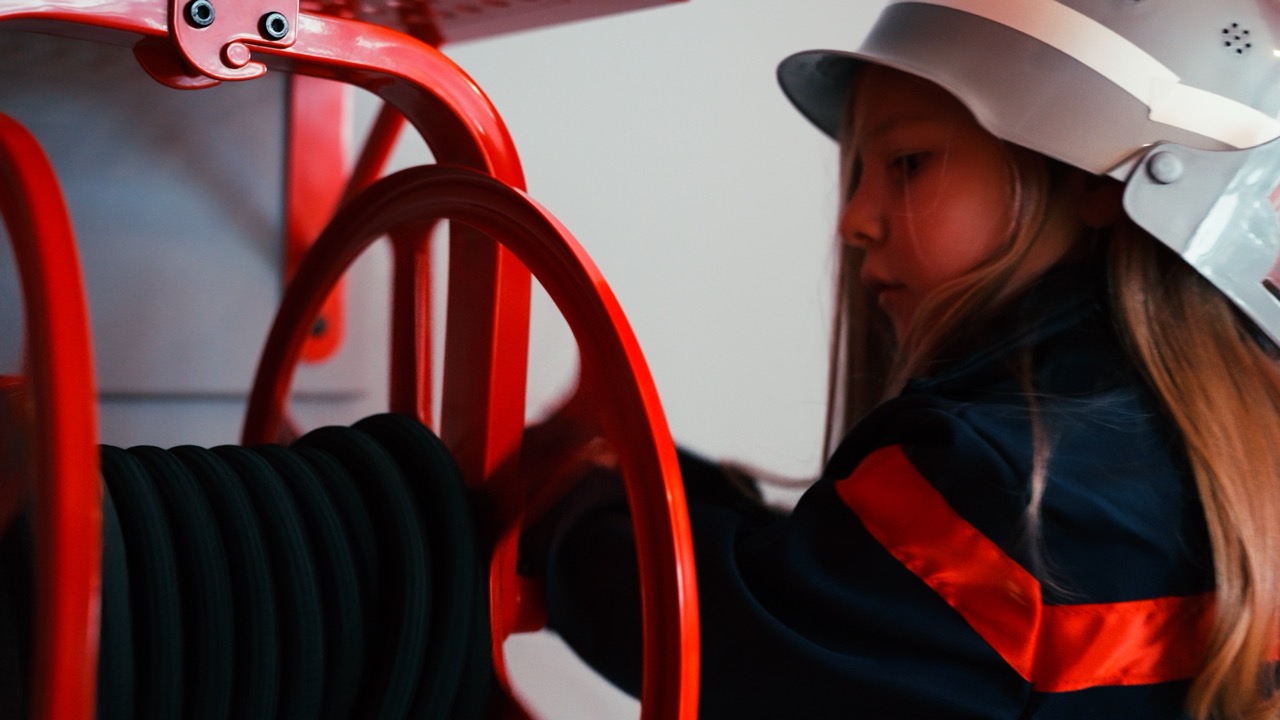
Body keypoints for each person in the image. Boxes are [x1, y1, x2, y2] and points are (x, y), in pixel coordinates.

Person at [520, 1, 1280, 717]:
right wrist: (653, 472)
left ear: (1092, 181)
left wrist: (555, 505)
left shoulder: (998, 473)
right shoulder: (1225, 455)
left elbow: (739, 640)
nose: (853, 221)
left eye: (908, 163)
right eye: (859, 173)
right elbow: (828, 583)